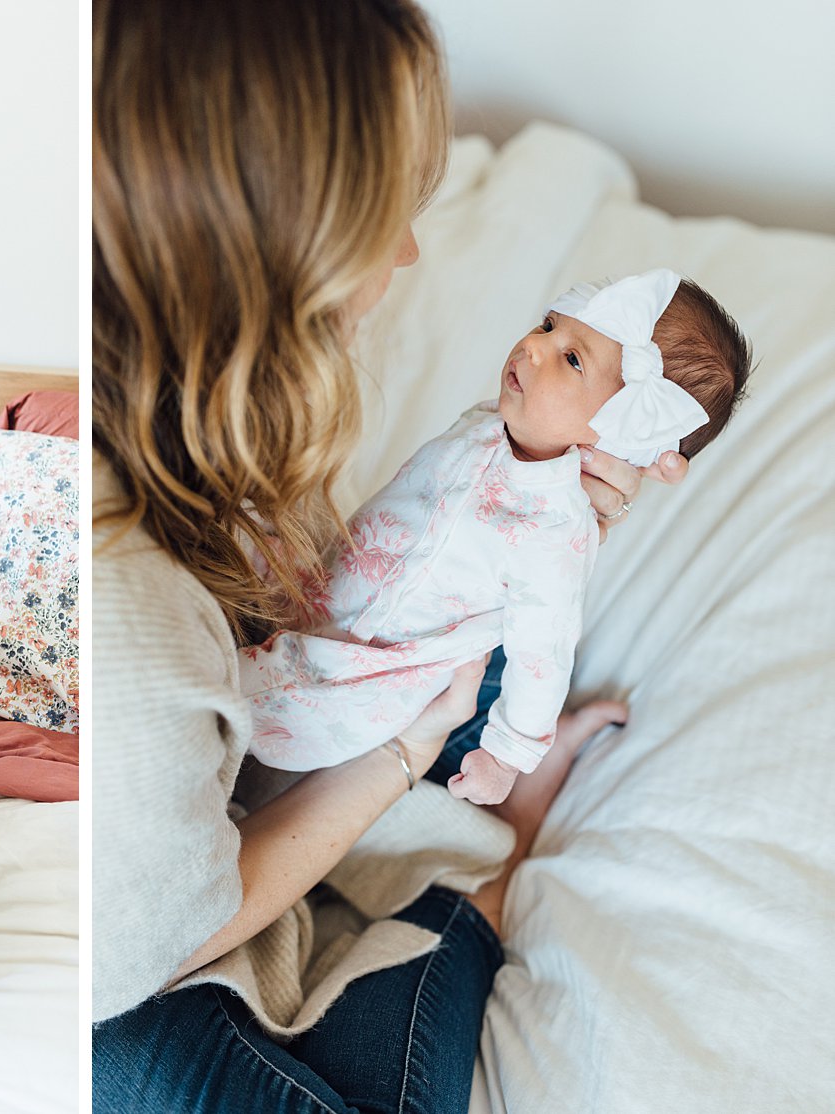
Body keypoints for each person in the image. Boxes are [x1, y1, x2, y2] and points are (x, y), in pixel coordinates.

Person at [91, 2, 691, 1111]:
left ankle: (468, 861)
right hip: (161, 910)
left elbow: (436, 585)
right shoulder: (128, 600)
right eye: (387, 216)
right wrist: (406, 753)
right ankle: (472, 894)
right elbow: (152, 945)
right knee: (133, 1065)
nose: (412, 251)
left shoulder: (207, 425)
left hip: (293, 730)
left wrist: (552, 497)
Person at [242, 269, 752, 804]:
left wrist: (508, 754)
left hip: (377, 663)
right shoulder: (490, 423)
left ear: (627, 433)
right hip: (331, 583)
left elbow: (544, 654)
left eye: (572, 359)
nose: (534, 347)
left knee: (271, 716)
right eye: (548, 325)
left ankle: (541, 768)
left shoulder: (554, 532)